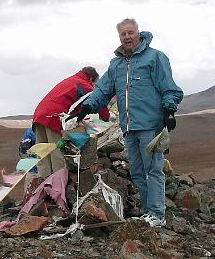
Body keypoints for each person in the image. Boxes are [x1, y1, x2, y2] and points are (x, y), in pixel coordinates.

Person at [72, 19, 182, 227]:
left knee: (154, 169)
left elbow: (169, 87)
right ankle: (148, 212)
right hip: (129, 127)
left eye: (131, 32)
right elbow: (103, 90)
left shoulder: (155, 58)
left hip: (151, 125)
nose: (127, 37)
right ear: (119, 38)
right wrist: (87, 107)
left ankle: (158, 214)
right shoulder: (116, 65)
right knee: (138, 172)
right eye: (123, 34)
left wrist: (169, 110)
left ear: (139, 33)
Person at [32, 66, 110, 178]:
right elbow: (97, 100)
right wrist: (106, 119)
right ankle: (59, 187)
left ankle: (42, 185)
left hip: (38, 116)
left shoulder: (70, 80)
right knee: (57, 153)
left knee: (42, 154)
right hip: (54, 117)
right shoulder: (83, 84)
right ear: (91, 79)